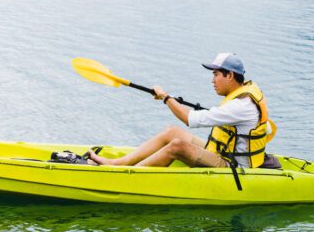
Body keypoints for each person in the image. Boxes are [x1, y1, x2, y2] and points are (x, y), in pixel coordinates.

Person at [88, 53, 277, 169]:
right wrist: (167, 98)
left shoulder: (241, 105)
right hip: (221, 150)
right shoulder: (243, 93)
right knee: (172, 131)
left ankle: (127, 177)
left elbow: (189, 119)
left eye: (216, 75)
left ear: (230, 75)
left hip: (233, 165)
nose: (212, 80)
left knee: (177, 146)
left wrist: (166, 98)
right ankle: (118, 164)